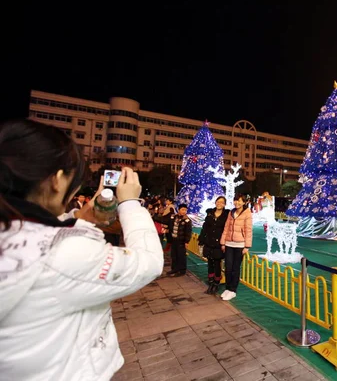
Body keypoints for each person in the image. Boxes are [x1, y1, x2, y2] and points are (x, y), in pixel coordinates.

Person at [0, 119, 163, 380]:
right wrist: (130, 203)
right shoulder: (64, 252)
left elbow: (36, 231)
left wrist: (82, 220)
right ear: (57, 181)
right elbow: (149, 262)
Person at [219, 193, 252, 301]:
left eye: (239, 200)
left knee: (235, 268)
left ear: (244, 202)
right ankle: (228, 288)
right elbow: (226, 228)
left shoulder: (247, 213)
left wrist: (247, 246)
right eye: (235, 200)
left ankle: (233, 290)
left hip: (240, 244)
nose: (237, 202)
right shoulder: (231, 212)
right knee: (228, 267)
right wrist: (223, 242)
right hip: (229, 243)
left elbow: (248, 230)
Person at [199, 196, 229, 295]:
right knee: (210, 262)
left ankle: (216, 282)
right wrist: (201, 240)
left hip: (219, 242)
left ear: (225, 204)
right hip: (209, 241)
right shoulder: (210, 214)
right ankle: (211, 281)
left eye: (222, 202)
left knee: (217, 263)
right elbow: (205, 228)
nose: (219, 203)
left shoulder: (226, 215)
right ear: (215, 202)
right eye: (218, 201)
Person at [154, 203, 192, 277]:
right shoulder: (173, 217)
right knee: (174, 255)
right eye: (182, 209)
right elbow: (164, 221)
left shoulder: (187, 220)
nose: (184, 211)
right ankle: (174, 269)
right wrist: (155, 215)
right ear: (179, 210)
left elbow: (188, 232)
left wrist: (187, 241)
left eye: (185, 210)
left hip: (181, 241)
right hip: (174, 239)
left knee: (181, 256)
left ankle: (182, 271)